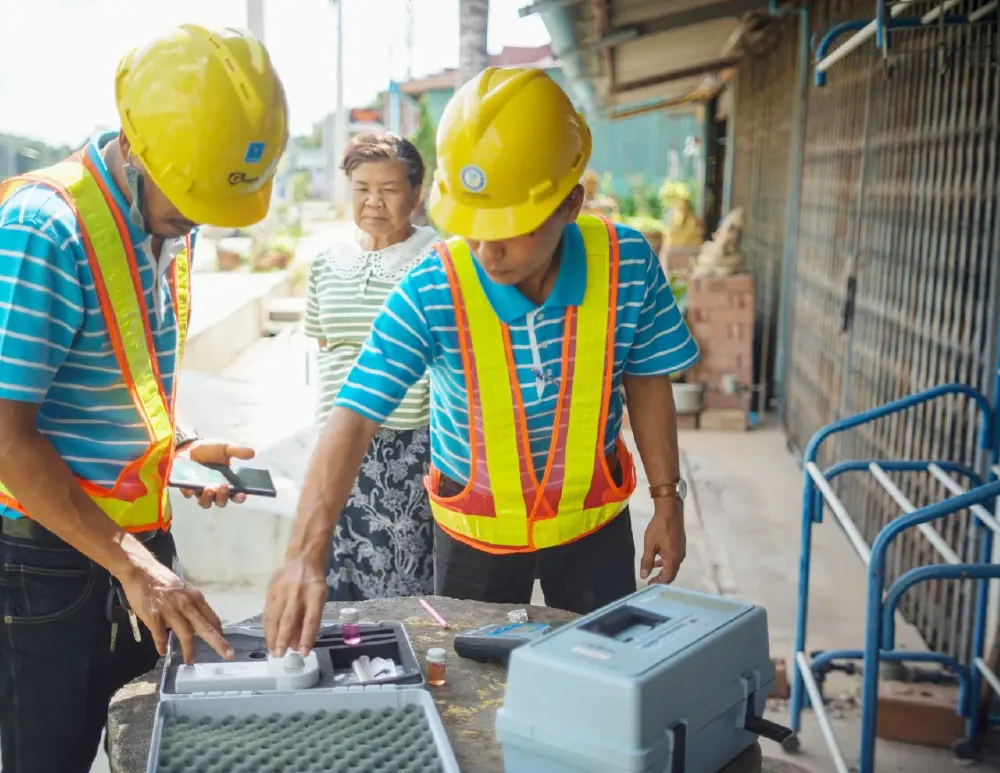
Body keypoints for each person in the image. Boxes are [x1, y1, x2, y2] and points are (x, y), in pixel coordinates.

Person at [264, 66, 699, 656]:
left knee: (602, 671)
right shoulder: (434, 285)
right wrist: (303, 555)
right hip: (474, 538)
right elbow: (356, 412)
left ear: (570, 203)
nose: (489, 251)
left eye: (511, 229)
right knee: (471, 682)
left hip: (593, 529)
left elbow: (646, 377)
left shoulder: (627, 264)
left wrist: (667, 499)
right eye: (474, 227)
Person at [0, 25, 287, 773]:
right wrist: (135, 567)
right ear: (139, 146)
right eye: (192, 199)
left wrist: (180, 451)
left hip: (130, 550)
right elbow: (3, 439)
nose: (198, 219)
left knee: (150, 764)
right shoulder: (43, 228)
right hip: (47, 570)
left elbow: (108, 380)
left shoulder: (163, 219)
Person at [304, 132, 439, 601]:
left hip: (409, 445)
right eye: (362, 188)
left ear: (416, 195)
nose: (373, 201)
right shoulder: (327, 262)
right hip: (335, 439)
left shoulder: (438, 259)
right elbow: (325, 346)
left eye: (389, 189)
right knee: (333, 579)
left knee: (401, 587)